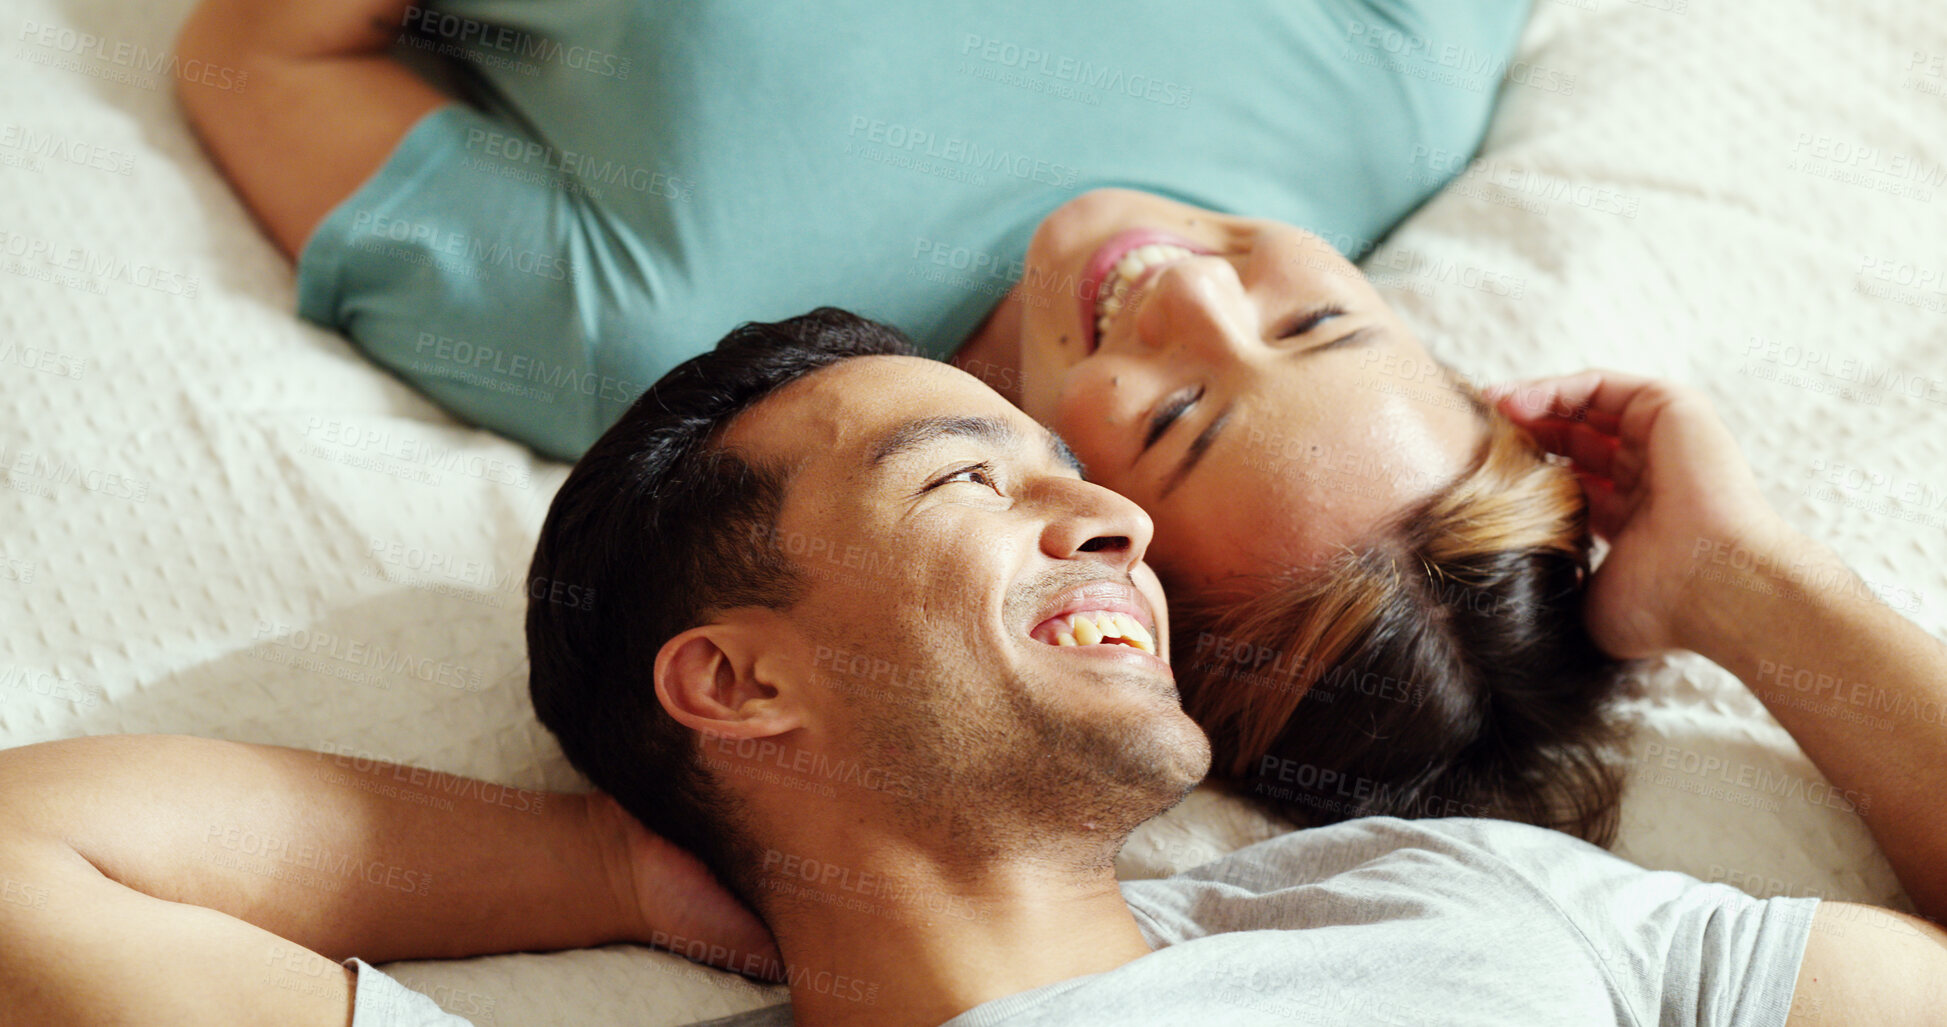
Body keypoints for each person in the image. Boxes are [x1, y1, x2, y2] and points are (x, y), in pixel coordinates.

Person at [5, 309, 1945, 1026]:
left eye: (1083, 481)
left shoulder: (1476, 902)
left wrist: (1746, 586)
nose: (1106, 520)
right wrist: (618, 873)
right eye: (968, 478)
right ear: (733, 680)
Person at [174, 0, 1633, 845]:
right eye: (1321, 321)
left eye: (1180, 417)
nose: (1193, 293)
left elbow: (257, 56)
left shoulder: (670, 350)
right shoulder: (1387, 81)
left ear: (1086, 554)